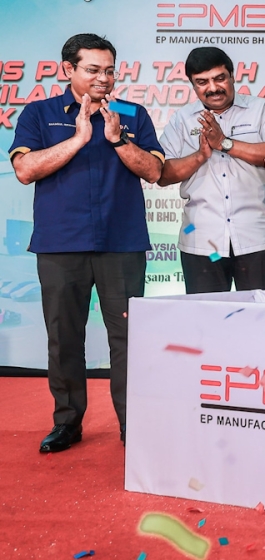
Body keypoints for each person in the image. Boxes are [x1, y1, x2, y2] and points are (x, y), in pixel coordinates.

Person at [8, 34, 163, 452]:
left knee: (129, 338)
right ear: (68, 70)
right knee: (64, 337)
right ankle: (67, 423)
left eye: (109, 70)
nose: (103, 78)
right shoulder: (39, 114)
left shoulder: (132, 114)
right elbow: (24, 169)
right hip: (61, 244)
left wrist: (116, 140)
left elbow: (153, 171)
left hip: (122, 243)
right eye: (93, 69)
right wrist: (77, 139)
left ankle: (134, 424)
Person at [159, 47, 265, 294]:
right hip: (202, 242)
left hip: (258, 237)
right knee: (204, 325)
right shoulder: (182, 119)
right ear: (192, 84)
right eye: (202, 82)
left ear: (232, 76)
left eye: (220, 78)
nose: (213, 88)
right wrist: (200, 156)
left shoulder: (262, 109)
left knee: (261, 323)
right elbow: (163, 174)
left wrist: (225, 144)